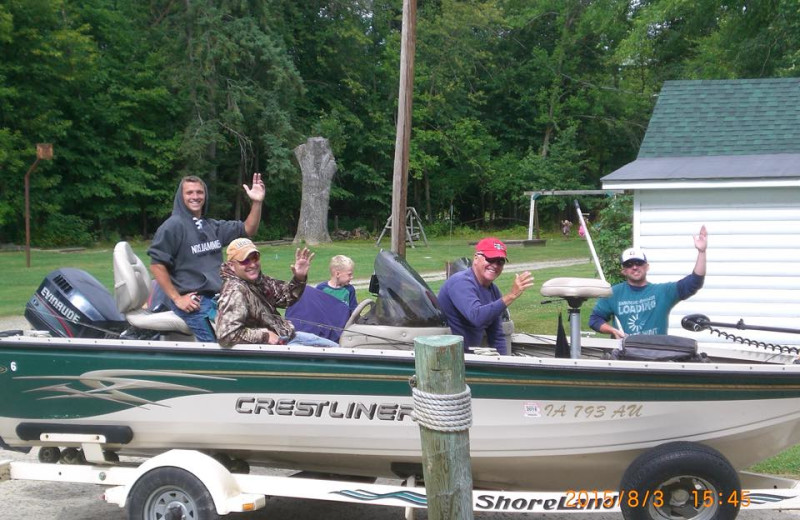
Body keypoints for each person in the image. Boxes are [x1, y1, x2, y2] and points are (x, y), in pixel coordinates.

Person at [147, 173, 265, 342]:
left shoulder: (211, 226)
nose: (195, 196)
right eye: (189, 193)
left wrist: (257, 202)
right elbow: (157, 265)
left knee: (254, 328)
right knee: (218, 343)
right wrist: (177, 298)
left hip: (218, 299)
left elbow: (248, 229)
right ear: (181, 197)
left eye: (199, 192)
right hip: (195, 302)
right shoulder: (172, 227)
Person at [215, 238, 339, 348]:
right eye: (245, 261)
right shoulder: (234, 291)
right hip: (273, 349)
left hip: (287, 337)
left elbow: (286, 298)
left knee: (338, 349)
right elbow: (227, 335)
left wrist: (299, 278)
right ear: (231, 265)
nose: (252, 264)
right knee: (335, 354)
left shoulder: (258, 281)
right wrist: (265, 335)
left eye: (255, 258)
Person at [589, 225, 708, 338]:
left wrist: (701, 252)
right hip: (625, 353)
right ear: (623, 271)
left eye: (639, 263)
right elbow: (594, 320)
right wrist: (612, 330)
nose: (634, 267)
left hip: (655, 353)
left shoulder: (663, 292)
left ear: (647, 267)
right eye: (629, 265)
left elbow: (695, 282)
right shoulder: (613, 293)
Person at [437, 238, 535, 355]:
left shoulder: (493, 290)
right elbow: (477, 317)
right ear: (476, 258)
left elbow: (496, 335)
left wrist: (503, 365)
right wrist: (511, 295)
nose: (494, 265)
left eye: (500, 262)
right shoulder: (460, 282)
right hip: (447, 358)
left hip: (470, 358)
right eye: (490, 259)